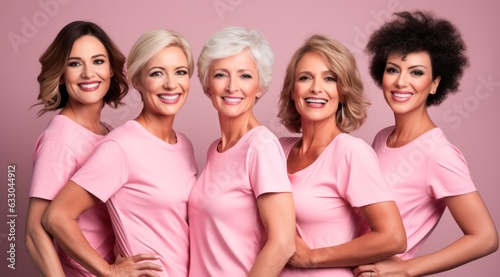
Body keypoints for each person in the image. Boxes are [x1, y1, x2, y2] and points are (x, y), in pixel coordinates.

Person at [353, 11, 498, 277]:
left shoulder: (438, 154)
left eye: (416, 72)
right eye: (393, 70)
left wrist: (407, 269)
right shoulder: (382, 137)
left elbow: (485, 237)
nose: (401, 82)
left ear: (434, 84)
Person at [42, 29, 197, 276]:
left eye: (181, 72)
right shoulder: (121, 146)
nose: (171, 83)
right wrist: (108, 271)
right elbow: (57, 217)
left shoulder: (185, 145)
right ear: (137, 80)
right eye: (157, 73)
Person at [277, 34, 407, 276]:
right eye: (305, 78)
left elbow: (394, 238)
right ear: (293, 92)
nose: (316, 88)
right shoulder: (277, 150)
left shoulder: (350, 152)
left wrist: (312, 258)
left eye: (330, 79)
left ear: (344, 93)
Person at [188, 26, 296, 276]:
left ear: (259, 86)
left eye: (245, 76)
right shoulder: (215, 150)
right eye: (221, 75)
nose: (232, 86)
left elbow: (283, 244)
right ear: (207, 86)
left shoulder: (261, 147)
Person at [25, 21, 128, 276]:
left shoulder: (108, 133)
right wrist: (107, 271)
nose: (88, 73)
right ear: (61, 73)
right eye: (74, 63)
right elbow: (34, 233)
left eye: (98, 61)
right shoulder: (59, 139)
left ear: (112, 69)